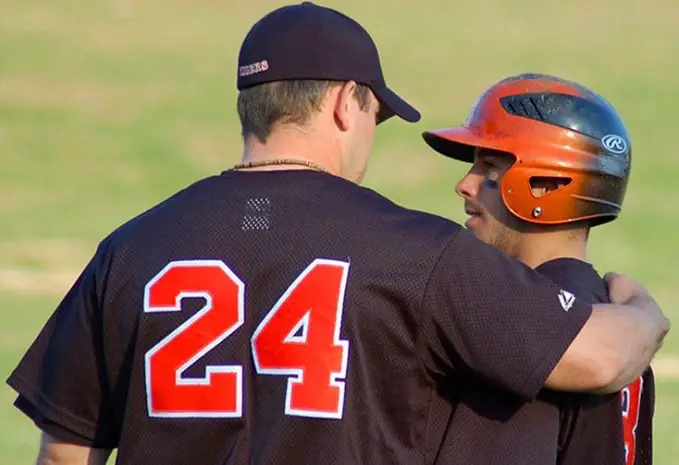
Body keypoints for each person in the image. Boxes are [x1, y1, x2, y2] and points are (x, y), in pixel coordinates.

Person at [7, 4, 667, 465]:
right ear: (345, 101)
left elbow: (66, 451)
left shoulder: (129, 248)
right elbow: (596, 358)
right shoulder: (416, 253)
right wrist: (641, 309)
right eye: (375, 113)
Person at [423, 72, 655, 465]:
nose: (465, 185)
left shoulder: (521, 331)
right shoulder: (622, 329)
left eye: (490, 166)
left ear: (547, 184)